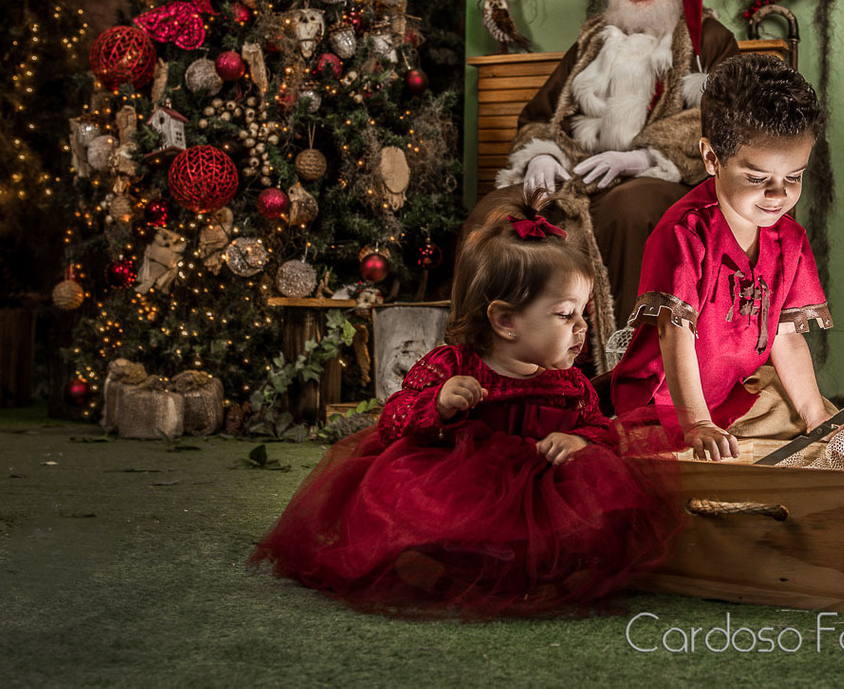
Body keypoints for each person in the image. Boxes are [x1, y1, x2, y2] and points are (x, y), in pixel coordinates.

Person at [249, 192, 684, 617]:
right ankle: (432, 561)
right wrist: (437, 404)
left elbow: (602, 431)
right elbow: (393, 421)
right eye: (565, 314)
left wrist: (578, 440)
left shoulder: (570, 384)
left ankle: (543, 570)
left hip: (538, 494)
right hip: (462, 486)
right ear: (506, 320)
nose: (582, 327)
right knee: (415, 500)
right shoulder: (454, 365)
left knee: (596, 504)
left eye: (582, 313)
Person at [474, 0, 739, 371]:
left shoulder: (708, 39)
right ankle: (499, 370)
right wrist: (541, 156)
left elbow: (725, 120)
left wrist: (644, 157)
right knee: (498, 208)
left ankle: (621, 374)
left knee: (628, 209)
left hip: (667, 179)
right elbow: (542, 112)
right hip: (579, 174)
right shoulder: (594, 38)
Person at [609, 53, 837, 460]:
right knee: (662, 455)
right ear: (712, 158)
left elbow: (786, 339)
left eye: (794, 178)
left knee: (815, 422)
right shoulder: (684, 234)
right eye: (757, 178)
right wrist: (696, 423)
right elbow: (672, 334)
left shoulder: (791, 240)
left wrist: (816, 414)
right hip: (665, 402)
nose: (778, 195)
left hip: (732, 393)